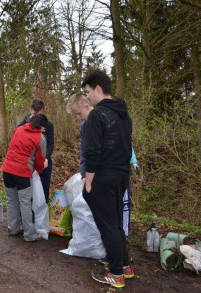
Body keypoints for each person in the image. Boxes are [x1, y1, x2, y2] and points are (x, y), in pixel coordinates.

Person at [81, 70, 133, 289]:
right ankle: (125, 266)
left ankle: (116, 275)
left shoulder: (97, 115)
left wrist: (89, 182)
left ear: (98, 89)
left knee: (108, 227)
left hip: (103, 177)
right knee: (116, 224)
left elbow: (92, 152)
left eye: (88, 92)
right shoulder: (124, 114)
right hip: (122, 175)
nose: (88, 97)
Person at [66, 93, 140, 237]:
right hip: (98, 175)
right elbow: (85, 151)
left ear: (86, 106)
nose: (78, 117)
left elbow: (125, 143)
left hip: (116, 174)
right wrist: (84, 174)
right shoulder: (85, 125)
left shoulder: (109, 118)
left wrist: (132, 161)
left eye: (78, 113)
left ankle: (120, 241)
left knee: (118, 210)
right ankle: (106, 245)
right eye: (75, 115)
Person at [1, 114, 48, 242]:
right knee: (25, 203)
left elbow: (13, 147)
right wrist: (41, 169)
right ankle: (29, 235)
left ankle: (13, 228)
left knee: (12, 201)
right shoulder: (41, 138)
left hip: (7, 169)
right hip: (22, 172)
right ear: (42, 126)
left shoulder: (19, 129)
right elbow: (40, 161)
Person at [18, 99, 54, 203]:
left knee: (44, 186)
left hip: (44, 161)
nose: (36, 116)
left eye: (38, 113)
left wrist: (46, 157)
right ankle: (29, 214)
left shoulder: (48, 124)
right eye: (34, 113)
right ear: (30, 110)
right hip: (29, 161)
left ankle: (43, 211)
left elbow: (51, 143)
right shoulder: (22, 125)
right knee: (28, 188)